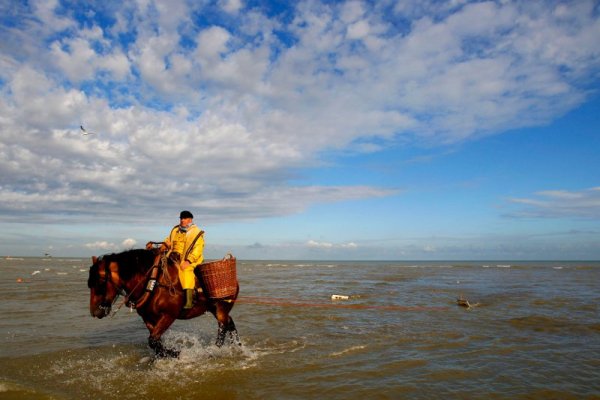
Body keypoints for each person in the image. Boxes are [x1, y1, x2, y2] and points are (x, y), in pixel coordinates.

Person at [163, 210, 205, 309]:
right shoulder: (175, 229)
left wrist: (189, 261)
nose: (182, 220)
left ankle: (189, 300)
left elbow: (198, 249)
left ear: (190, 220)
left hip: (189, 259)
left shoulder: (197, 232)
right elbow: (168, 239)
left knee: (186, 271)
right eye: (181, 218)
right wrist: (165, 244)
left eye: (184, 218)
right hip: (172, 256)